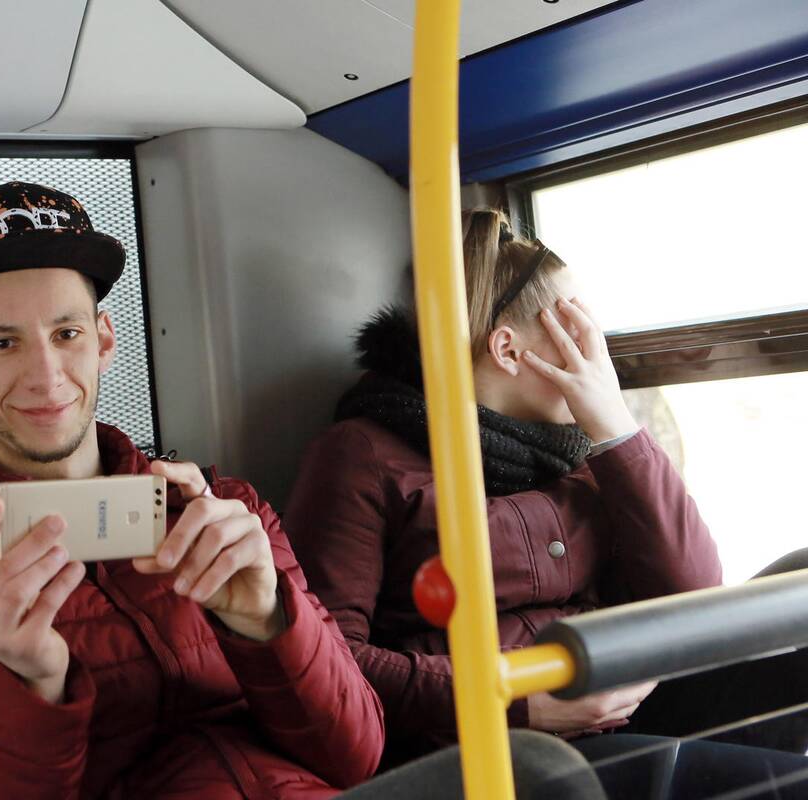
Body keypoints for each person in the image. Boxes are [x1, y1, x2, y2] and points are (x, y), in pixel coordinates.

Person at [0, 180, 393, 799]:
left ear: (103, 340)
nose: (46, 376)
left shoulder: (224, 512)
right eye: (2, 342)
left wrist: (268, 621)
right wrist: (30, 684)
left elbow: (358, 759)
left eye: (66, 334)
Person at [283, 207, 808, 770]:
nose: (596, 355)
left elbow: (695, 597)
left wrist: (616, 426)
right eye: (575, 330)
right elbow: (328, 664)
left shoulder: (582, 454)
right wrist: (516, 700)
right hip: (502, 752)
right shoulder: (362, 454)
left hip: (628, 702)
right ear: (509, 350)